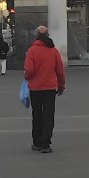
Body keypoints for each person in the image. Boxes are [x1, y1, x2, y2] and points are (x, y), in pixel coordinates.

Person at [24, 25, 65, 153]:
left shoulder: (32, 51)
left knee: (37, 115)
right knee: (48, 115)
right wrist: (61, 85)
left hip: (35, 88)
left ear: (36, 36)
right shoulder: (54, 51)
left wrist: (27, 77)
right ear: (48, 35)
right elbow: (60, 70)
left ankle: (36, 142)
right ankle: (46, 143)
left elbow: (29, 71)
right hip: (50, 88)